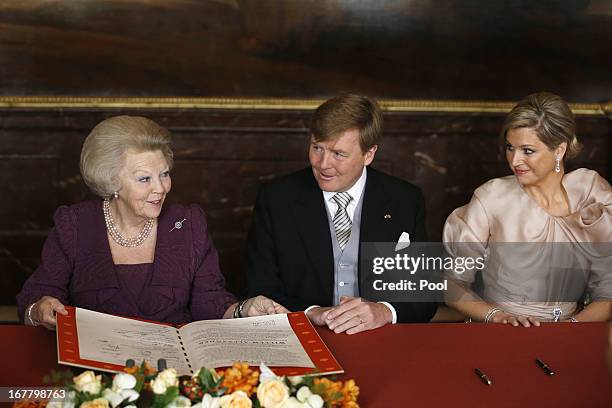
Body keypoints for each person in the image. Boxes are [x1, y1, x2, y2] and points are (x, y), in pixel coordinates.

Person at [17, 116, 287, 329]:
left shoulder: (187, 223)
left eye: (165, 174)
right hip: (93, 372)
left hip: (173, 371)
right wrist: (41, 309)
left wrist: (245, 308)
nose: (161, 188)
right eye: (145, 179)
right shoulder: (74, 225)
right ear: (111, 181)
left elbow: (209, 302)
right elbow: (37, 297)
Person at [246, 94, 437, 335]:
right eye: (317, 148)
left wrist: (383, 311)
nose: (323, 164)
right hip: (303, 335)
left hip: (380, 339)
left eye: (338, 154)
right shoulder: (276, 198)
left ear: (369, 154)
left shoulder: (405, 200)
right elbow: (260, 289)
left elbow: (422, 297)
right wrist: (311, 312)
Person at [443, 92, 611, 326]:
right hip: (500, 333)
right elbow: (453, 286)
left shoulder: (591, 192)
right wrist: (497, 316)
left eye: (528, 151)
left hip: (574, 333)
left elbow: (608, 293)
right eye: (510, 148)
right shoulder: (492, 196)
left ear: (560, 150)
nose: (514, 161)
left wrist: (571, 327)